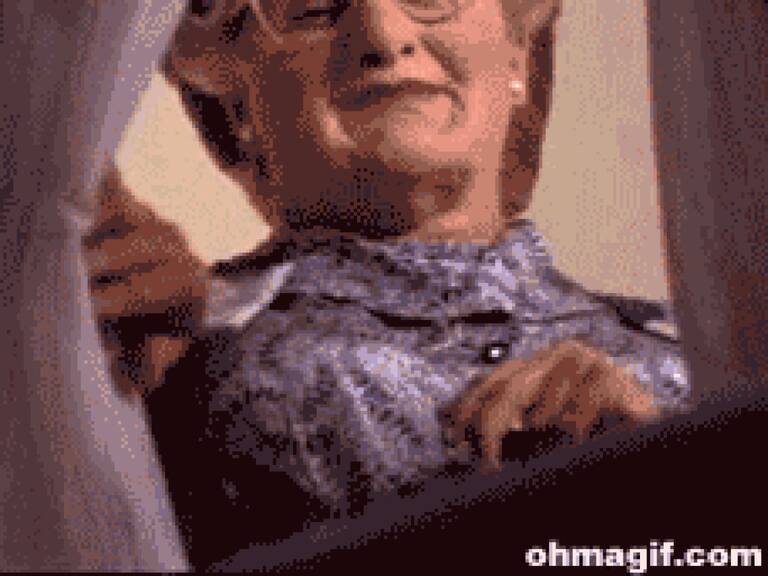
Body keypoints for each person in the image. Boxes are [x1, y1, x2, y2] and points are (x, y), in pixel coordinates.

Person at [144, 0, 690, 567]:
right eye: (314, 7)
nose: (382, 36)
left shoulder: (696, 354)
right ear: (233, 104)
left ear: (519, 54)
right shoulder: (166, 366)